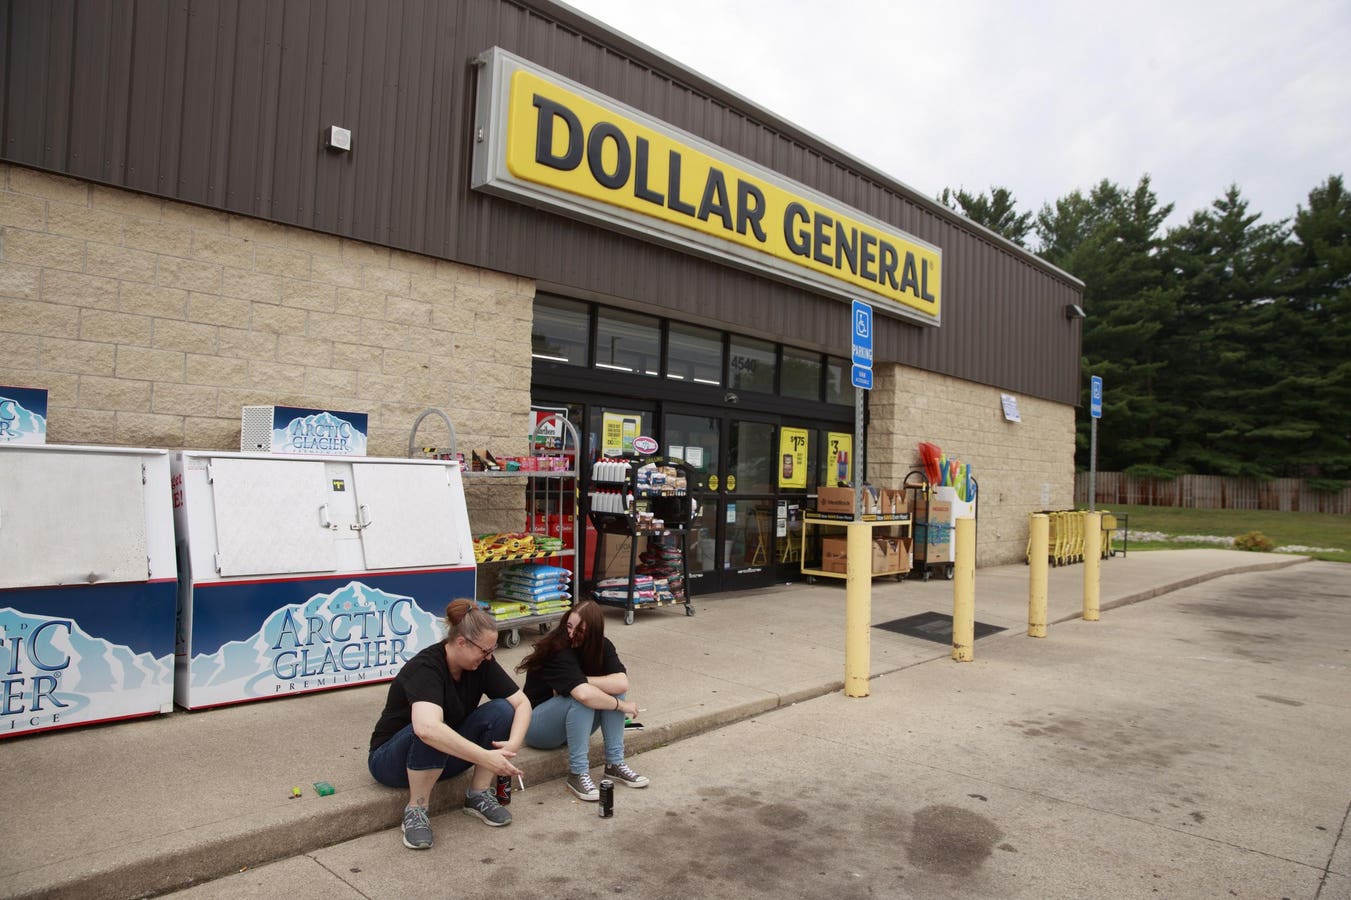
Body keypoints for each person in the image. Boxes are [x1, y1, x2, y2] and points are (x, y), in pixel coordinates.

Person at [368, 599, 532, 849]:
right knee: (431, 729)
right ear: (461, 642)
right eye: (485, 651)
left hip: (442, 757)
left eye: (492, 650)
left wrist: (513, 744)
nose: (489, 657)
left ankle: (477, 795)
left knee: (502, 709)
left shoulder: (481, 663)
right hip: (391, 761)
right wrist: (487, 757)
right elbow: (426, 729)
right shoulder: (426, 667)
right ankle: (416, 810)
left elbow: (521, 703)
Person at [517, 599, 649, 801]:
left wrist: (582, 681)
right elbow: (583, 695)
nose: (571, 633)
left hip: (572, 725)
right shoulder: (558, 647)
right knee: (581, 697)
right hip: (538, 727)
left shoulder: (603, 645)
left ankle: (615, 763)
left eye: (580, 629)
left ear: (594, 632)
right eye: (569, 626)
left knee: (606, 690)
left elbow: (622, 683)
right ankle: (577, 773)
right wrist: (620, 706)